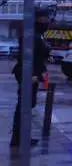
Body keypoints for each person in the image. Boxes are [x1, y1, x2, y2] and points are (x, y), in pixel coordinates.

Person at [10, 20, 49, 148]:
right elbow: (36, 58)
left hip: (27, 73)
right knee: (25, 106)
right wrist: (38, 74)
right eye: (45, 19)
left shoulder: (30, 35)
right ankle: (19, 138)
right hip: (29, 74)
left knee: (25, 105)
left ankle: (20, 137)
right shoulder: (34, 37)